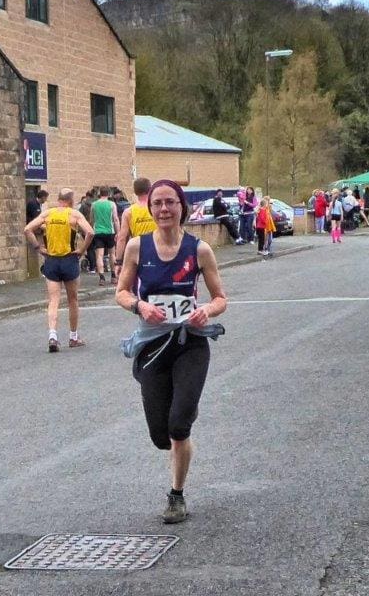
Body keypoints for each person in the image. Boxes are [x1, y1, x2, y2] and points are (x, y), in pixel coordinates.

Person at [116, 178, 227, 524]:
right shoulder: (137, 248)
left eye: (170, 203)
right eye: (158, 203)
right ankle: (179, 418)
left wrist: (206, 311)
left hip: (190, 342)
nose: (164, 209)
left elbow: (221, 298)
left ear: (182, 207)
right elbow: (121, 292)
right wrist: (139, 306)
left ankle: (176, 495)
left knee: (179, 425)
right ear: (150, 209)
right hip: (153, 345)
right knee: (160, 435)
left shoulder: (199, 250)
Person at [24, 188, 94, 352]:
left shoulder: (48, 214)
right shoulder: (74, 215)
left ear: (58, 199)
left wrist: (38, 248)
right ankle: (73, 337)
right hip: (69, 259)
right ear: (71, 200)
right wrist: (82, 250)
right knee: (72, 300)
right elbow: (90, 232)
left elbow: (27, 229)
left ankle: (53, 336)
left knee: (53, 300)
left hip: (52, 260)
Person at [114, 177, 157, 278]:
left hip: (139, 252)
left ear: (135, 191)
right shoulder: (156, 208)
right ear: (150, 189)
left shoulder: (129, 212)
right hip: (158, 250)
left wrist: (118, 262)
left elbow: (122, 238)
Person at [90, 186, 119, 286]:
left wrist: (92, 229)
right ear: (109, 194)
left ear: (99, 193)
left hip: (98, 232)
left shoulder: (94, 204)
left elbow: (92, 219)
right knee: (112, 254)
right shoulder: (112, 204)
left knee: (99, 255)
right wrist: (118, 232)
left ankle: (102, 278)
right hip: (110, 232)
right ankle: (113, 276)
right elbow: (115, 219)